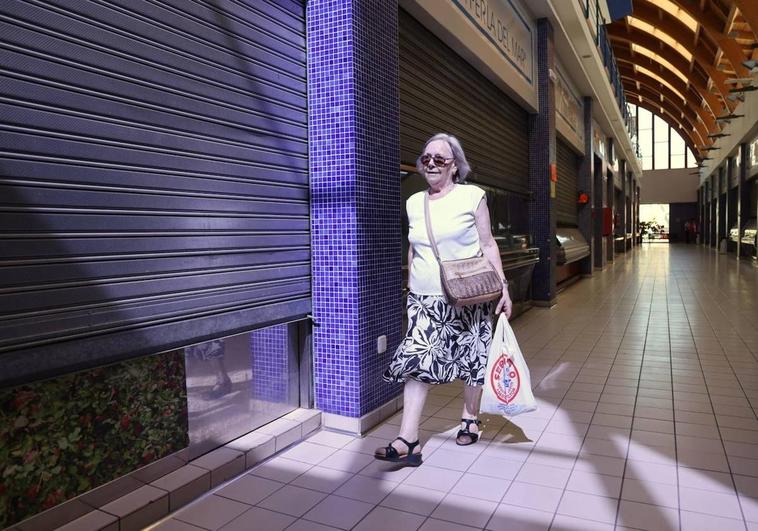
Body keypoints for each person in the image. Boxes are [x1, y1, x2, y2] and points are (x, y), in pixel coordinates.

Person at [375, 133, 512, 466]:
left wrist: (503, 287)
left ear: (455, 166)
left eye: (440, 159)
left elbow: (488, 243)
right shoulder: (413, 202)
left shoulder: (472, 196)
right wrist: (410, 285)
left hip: (468, 293)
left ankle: (469, 417)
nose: (431, 164)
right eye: (426, 158)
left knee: (472, 357)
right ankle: (409, 439)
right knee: (416, 362)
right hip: (425, 298)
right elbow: (414, 247)